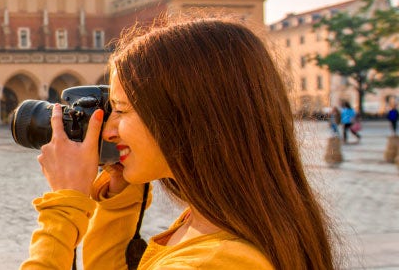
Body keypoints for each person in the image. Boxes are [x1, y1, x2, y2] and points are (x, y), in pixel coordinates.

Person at [24, 19, 334, 270]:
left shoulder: (214, 262)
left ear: (184, 116)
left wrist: (64, 207)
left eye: (120, 109)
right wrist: (121, 196)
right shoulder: (210, 222)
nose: (107, 130)